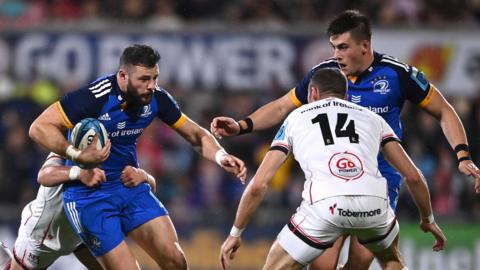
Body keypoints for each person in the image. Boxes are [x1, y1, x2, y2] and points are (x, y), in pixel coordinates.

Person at [211, 9, 480, 270]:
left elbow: (444, 110)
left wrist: (462, 155)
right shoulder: (326, 75)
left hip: (381, 177)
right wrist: (242, 125)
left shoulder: (397, 74)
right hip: (333, 175)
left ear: (365, 45)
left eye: (343, 47)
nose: (336, 55)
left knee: (360, 260)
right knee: (322, 263)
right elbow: (283, 106)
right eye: (333, 47)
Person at [29, 44, 247, 270]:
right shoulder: (94, 97)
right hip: (89, 196)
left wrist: (221, 156)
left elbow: (196, 134)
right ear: (122, 75)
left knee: (176, 260)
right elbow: (39, 127)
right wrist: (77, 155)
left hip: (129, 185)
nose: (151, 85)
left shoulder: (157, 99)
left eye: (155, 78)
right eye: (144, 79)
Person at [219, 68, 446, 270]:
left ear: (313, 94)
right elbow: (414, 177)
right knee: (390, 259)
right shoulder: (373, 118)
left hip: (325, 205)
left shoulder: (297, 117)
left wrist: (235, 233)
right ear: (346, 96)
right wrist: (428, 218)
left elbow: (259, 185)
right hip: (374, 203)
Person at [10, 151, 156, 270]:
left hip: (82, 233)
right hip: (44, 236)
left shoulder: (118, 155)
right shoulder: (66, 152)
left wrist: (146, 177)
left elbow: (149, 189)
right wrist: (79, 173)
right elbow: (44, 175)